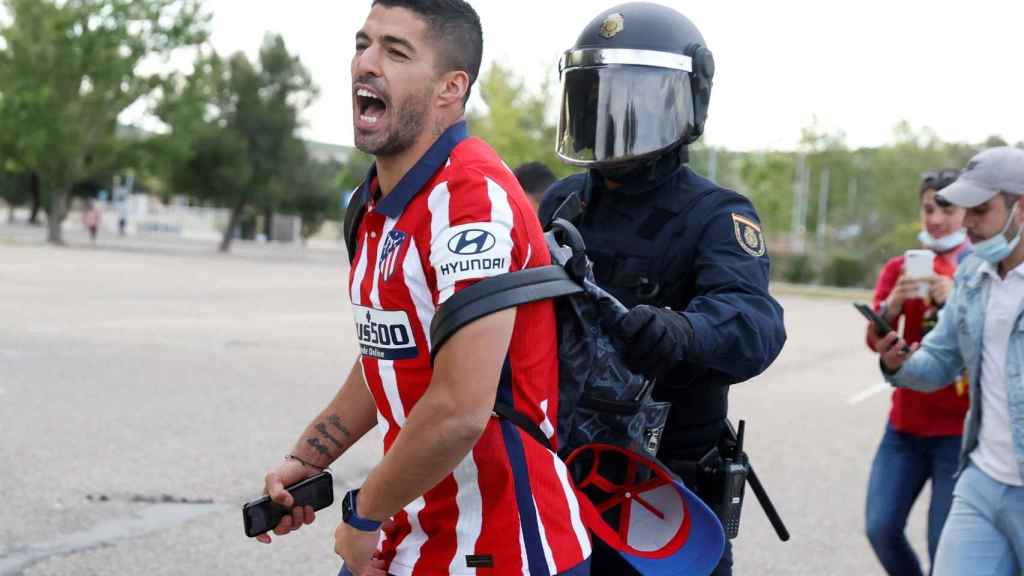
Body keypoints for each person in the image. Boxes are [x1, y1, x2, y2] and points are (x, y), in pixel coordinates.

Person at [257, 2, 591, 576]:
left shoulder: (472, 202)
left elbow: (460, 409)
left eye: (396, 50)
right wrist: (307, 457)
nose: (366, 62)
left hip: (500, 550)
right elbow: (388, 351)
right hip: (407, 530)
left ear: (450, 88)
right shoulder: (374, 205)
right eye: (363, 44)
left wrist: (361, 517)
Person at [539, 4, 787, 575]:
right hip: (563, 473)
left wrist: (682, 330)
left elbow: (755, 321)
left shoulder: (716, 214)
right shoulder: (564, 202)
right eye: (597, 96)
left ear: (688, 100)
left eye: (632, 100)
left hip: (659, 488)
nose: (611, 116)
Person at [877, 146, 1024, 576]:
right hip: (981, 478)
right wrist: (899, 363)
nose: (969, 224)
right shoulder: (971, 275)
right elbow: (939, 361)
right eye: (966, 211)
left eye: (981, 210)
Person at [863, 170, 970, 576]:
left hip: (957, 433)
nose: (936, 218)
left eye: (947, 208)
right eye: (928, 208)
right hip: (904, 426)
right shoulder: (899, 268)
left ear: (967, 212)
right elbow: (875, 341)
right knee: (881, 528)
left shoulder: (973, 271)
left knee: (942, 545)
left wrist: (954, 295)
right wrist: (890, 306)